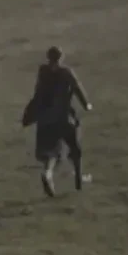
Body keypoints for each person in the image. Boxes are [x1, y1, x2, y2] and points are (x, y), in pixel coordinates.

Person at [21, 45, 92, 197]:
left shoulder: (43, 72)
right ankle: (78, 180)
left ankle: (47, 174)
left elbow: (37, 93)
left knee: (51, 153)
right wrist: (86, 104)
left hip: (45, 119)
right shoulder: (66, 72)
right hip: (63, 118)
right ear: (61, 58)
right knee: (75, 148)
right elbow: (77, 88)